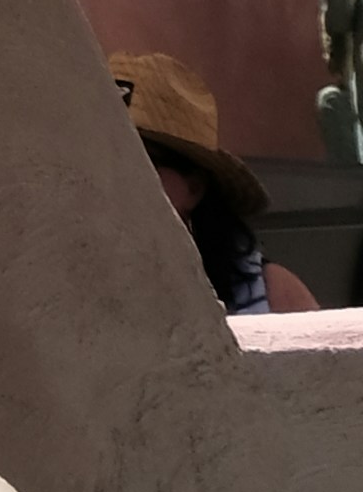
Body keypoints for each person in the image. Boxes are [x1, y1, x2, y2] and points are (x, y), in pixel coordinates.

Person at [109, 49, 318, 319]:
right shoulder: (61, 280)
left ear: (194, 188)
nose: (118, 175)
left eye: (143, 160)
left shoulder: (274, 295)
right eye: (105, 156)